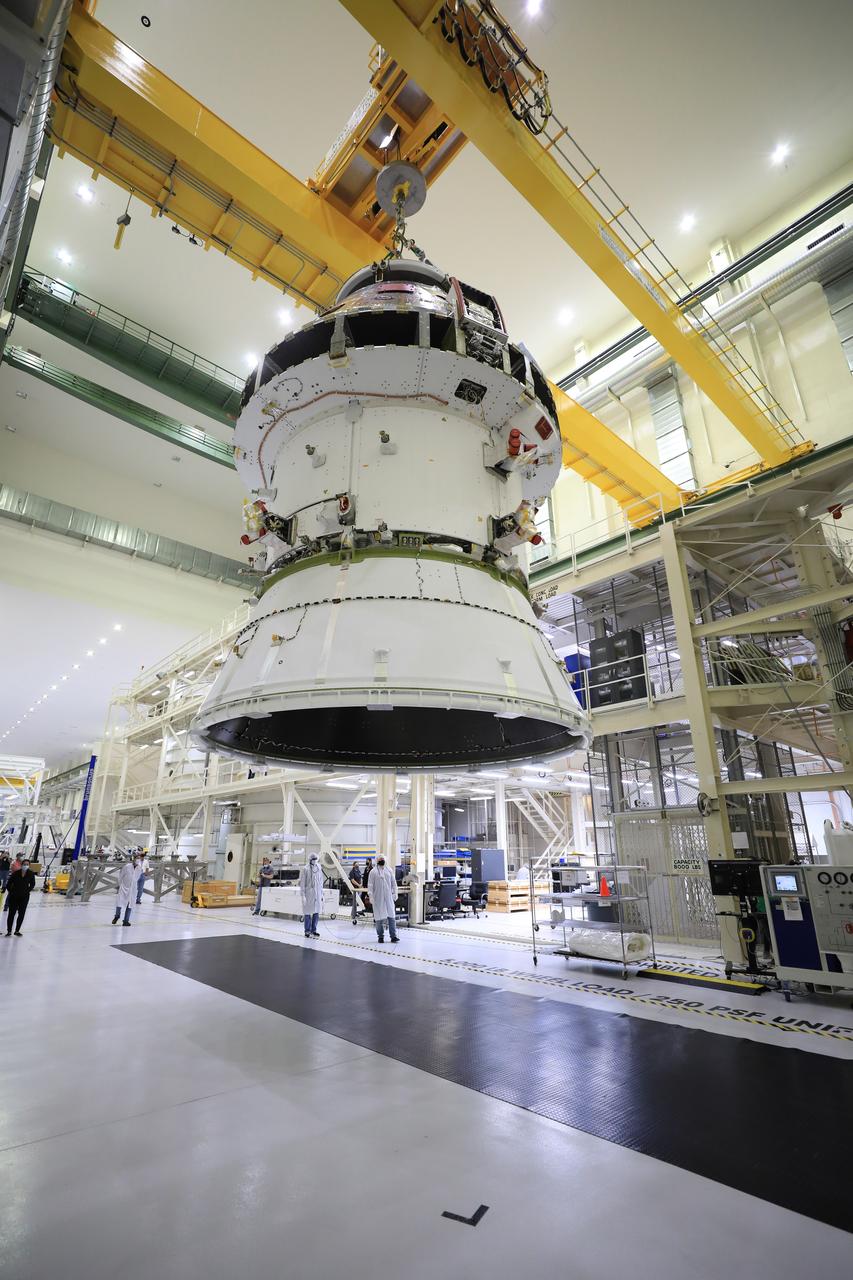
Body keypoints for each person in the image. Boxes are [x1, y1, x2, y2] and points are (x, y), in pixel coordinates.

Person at [367, 857, 399, 943]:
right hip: (378, 897)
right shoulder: (373, 872)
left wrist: (395, 892)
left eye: (383, 859)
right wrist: (371, 896)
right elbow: (370, 885)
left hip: (388, 897)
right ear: (377, 861)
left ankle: (393, 936)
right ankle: (380, 937)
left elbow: (394, 883)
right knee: (379, 918)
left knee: (391, 915)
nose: (382, 861)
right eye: (380, 860)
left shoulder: (389, 870)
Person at [5, 858, 35, 937]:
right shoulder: (16, 873)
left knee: (21, 914)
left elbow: (32, 884)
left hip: (24, 897)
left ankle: (17, 930)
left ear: (29, 865)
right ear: (21, 865)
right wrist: (11, 892)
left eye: (27, 864)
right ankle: (9, 931)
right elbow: (9, 884)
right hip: (14, 897)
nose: (25, 866)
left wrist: (27, 891)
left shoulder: (31, 874)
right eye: (24, 864)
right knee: (11, 914)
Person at [298, 853, 323, 939]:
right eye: (313, 859)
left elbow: (321, 881)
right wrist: (303, 895)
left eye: (316, 859)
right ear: (310, 859)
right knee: (308, 912)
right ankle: (307, 931)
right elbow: (302, 883)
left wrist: (322, 893)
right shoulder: (305, 869)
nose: (315, 860)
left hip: (317, 893)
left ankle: (314, 930)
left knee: (316, 912)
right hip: (309, 893)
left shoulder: (319, 867)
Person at [112, 855, 137, 927]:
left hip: (132, 889)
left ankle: (126, 921)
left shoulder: (139, 868)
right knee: (119, 903)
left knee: (130, 905)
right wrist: (120, 885)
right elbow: (121, 876)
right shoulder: (127, 867)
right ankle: (117, 916)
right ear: (133, 860)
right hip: (124, 887)